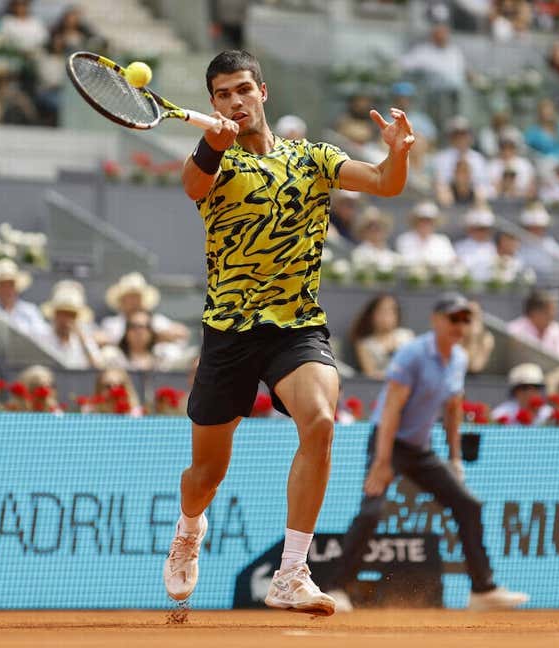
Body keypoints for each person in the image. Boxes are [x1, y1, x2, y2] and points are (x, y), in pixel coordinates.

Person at [166, 49, 416, 615]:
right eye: (224, 94)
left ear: (263, 92)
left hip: (295, 327)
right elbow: (191, 186)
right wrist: (213, 142)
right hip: (229, 332)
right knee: (205, 474)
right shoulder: (216, 159)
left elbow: (383, 183)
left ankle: (291, 573)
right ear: (213, 103)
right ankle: (188, 528)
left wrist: (396, 154)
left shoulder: (314, 159)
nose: (235, 101)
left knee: (322, 421)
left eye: (243, 90)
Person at [325, 293, 528, 612]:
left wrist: (456, 458)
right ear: (436, 320)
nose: (459, 325)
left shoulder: (458, 358)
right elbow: (391, 409)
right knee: (371, 512)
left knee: (468, 505)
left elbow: (452, 408)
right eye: (453, 319)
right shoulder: (413, 354)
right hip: (389, 443)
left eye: (465, 320)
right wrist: (381, 461)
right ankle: (336, 589)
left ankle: (482, 590)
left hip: (421, 450)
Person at [99, 272, 189, 347]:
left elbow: (181, 333)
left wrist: (156, 337)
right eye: (129, 298)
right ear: (122, 301)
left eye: (136, 298)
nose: (133, 302)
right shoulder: (111, 324)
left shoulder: (156, 321)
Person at [36, 280, 102, 370]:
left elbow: (97, 367)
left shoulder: (84, 339)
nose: (66, 319)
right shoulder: (41, 337)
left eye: (71, 315)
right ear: (54, 315)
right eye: (62, 313)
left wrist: (82, 341)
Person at [348, 293, 414, 380]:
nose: (387, 316)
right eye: (382, 311)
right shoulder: (364, 344)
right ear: (372, 315)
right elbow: (370, 374)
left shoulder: (407, 336)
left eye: (392, 311)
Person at [0, 258, 45, 337]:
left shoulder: (30, 311)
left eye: (10, 285)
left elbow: (41, 339)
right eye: (2, 285)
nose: (7, 289)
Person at [399, 22, 466, 92]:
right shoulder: (422, 51)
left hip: (456, 92)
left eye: (445, 34)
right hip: (432, 93)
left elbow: (462, 69)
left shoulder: (454, 51)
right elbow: (402, 64)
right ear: (433, 36)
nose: (442, 37)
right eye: (439, 34)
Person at [506, 290, 559, 360]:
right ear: (535, 312)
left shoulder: (556, 330)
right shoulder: (514, 330)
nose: (553, 315)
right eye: (549, 311)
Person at [395, 201, 455, 268]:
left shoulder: (442, 240)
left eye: (429, 221)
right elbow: (404, 262)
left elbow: (451, 261)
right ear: (415, 221)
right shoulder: (404, 239)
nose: (426, 224)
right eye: (422, 220)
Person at [432, 116, 487, 189]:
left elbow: (485, 186)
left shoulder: (478, 159)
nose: (461, 138)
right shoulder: (441, 158)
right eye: (457, 134)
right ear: (451, 137)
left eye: (464, 134)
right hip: (449, 197)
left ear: (470, 136)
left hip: (473, 197)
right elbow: (439, 183)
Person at [516, 203, 559, 280]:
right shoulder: (517, 246)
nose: (536, 231)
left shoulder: (550, 245)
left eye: (540, 228)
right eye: (532, 228)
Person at [485, 128, 534, 199]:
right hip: (497, 201)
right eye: (503, 147)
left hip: (521, 201)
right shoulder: (492, 165)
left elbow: (529, 188)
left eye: (510, 147)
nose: (507, 151)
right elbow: (489, 189)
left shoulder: (525, 165)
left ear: (515, 147)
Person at [453, 206, 497, 278]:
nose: (482, 232)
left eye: (485, 229)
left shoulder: (493, 246)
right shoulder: (459, 247)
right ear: (470, 229)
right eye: (479, 229)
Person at [461, 301, 494, 374]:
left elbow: (475, 367)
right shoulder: (457, 336)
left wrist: (474, 338)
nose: (470, 318)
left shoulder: (486, 338)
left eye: (474, 315)